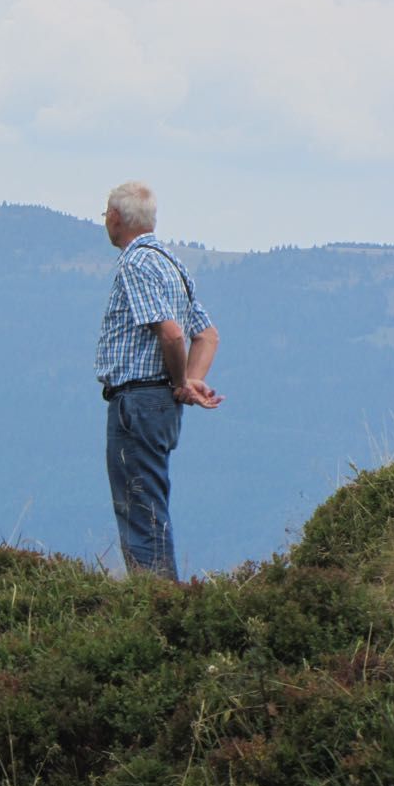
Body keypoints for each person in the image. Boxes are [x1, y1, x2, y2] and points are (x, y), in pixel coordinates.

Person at [96, 181, 221, 580]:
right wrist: (190, 383)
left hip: (138, 401)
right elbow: (207, 335)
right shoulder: (172, 264)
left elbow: (171, 333)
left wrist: (183, 381)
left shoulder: (135, 263)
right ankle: (163, 597)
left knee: (139, 508)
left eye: (106, 214)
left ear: (116, 218)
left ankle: (157, 601)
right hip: (162, 406)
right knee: (150, 502)